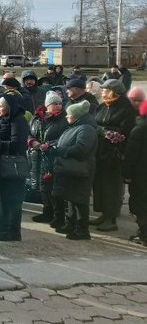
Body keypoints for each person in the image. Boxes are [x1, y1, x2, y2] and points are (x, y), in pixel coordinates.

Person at [91, 79, 137, 232]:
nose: (102, 91)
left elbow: (125, 132)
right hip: (100, 152)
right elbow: (95, 123)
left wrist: (104, 132)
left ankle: (111, 219)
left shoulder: (126, 108)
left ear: (113, 91)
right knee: (100, 185)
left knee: (112, 187)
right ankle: (104, 214)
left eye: (105, 89)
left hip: (115, 154)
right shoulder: (103, 106)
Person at [49, 101, 98, 240]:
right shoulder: (75, 127)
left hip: (81, 170)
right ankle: (71, 224)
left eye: (69, 114)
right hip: (72, 169)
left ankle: (82, 229)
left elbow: (82, 149)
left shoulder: (86, 129)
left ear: (76, 116)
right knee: (71, 198)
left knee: (79, 200)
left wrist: (60, 151)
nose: (66, 117)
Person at [0, 93, 29, 242]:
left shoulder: (18, 121)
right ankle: (3, 224)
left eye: (1, 106)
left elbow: (17, 144)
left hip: (14, 167)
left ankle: (13, 230)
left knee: (13, 199)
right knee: (4, 197)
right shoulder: (5, 120)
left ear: (9, 107)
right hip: (3, 164)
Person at [28, 92, 69, 225]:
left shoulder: (64, 119)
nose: (58, 106)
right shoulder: (37, 117)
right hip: (37, 154)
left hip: (53, 156)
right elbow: (28, 132)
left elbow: (65, 136)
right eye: (55, 104)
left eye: (60, 103)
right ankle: (47, 211)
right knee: (42, 186)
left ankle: (58, 215)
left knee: (52, 187)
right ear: (47, 105)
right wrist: (32, 141)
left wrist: (50, 144)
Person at [123, 101, 147, 244]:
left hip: (141, 174)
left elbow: (131, 154)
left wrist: (126, 174)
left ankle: (144, 235)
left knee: (140, 203)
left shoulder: (139, 129)